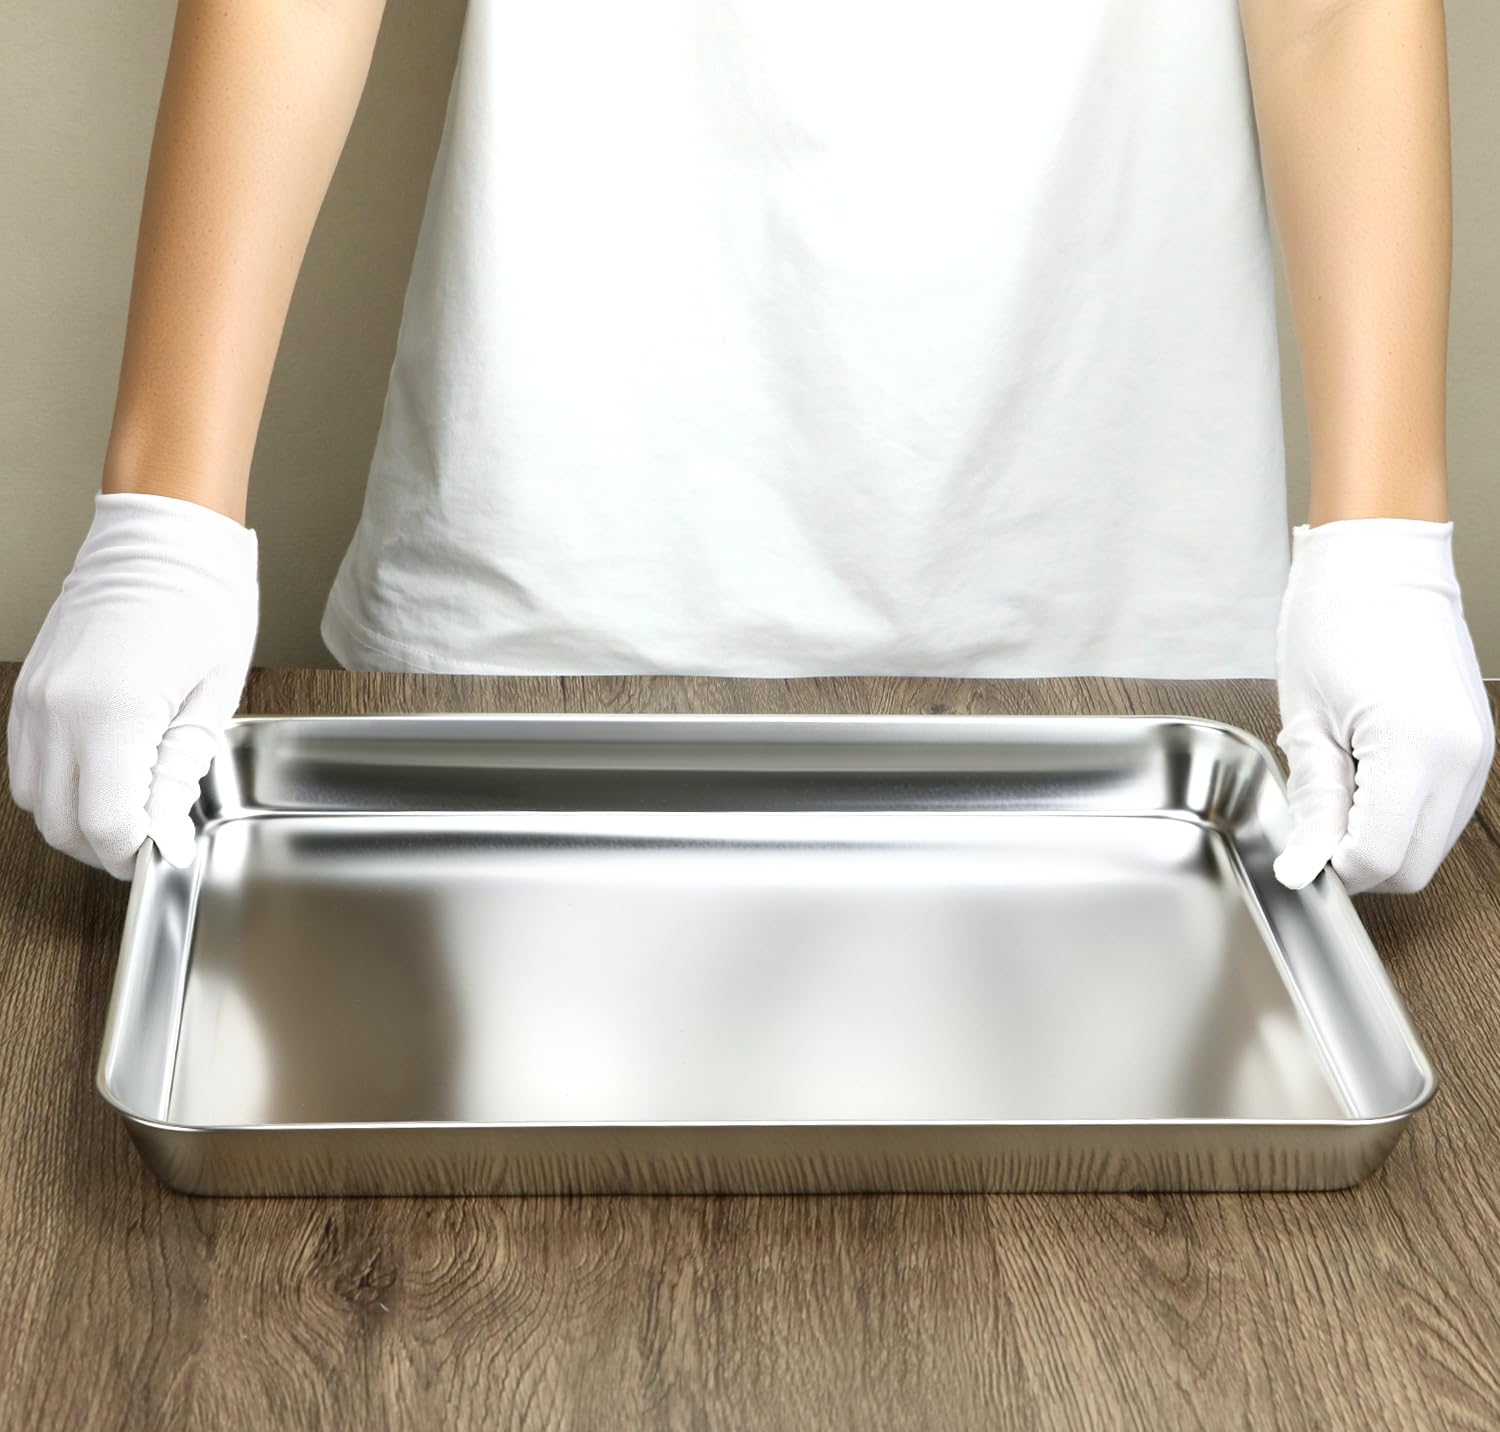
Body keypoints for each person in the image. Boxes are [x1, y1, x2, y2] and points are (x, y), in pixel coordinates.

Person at [6, 0, 1493, 891]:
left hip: (1140, 692)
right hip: (538, 641)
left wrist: (1384, 539)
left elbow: (1335, 13)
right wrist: (163, 521)